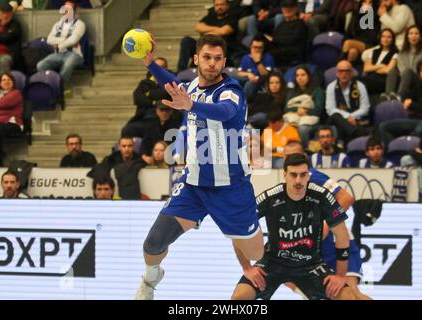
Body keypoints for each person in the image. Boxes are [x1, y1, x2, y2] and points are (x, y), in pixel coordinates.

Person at [135, 34, 265, 300]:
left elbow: (224, 112)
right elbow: (172, 85)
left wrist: (191, 105)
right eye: (206, 57)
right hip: (194, 185)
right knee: (152, 244)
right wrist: (150, 63)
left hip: (231, 187)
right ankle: (151, 279)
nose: (212, 63)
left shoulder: (232, 92)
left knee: (256, 253)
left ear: (224, 62)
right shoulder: (192, 86)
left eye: (218, 59)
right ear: (195, 59)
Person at [231, 153, 356, 300]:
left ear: (309, 176)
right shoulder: (270, 197)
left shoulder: (322, 196)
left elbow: (342, 237)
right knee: (240, 297)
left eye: (303, 175)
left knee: (348, 297)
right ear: (284, 175)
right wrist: (247, 268)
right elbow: (238, 227)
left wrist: (340, 276)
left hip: (311, 265)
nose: (298, 180)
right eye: (293, 175)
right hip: (273, 263)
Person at [283, 141, 371, 300]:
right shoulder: (288, 184)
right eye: (288, 156)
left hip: (335, 242)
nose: (292, 159)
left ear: (304, 157)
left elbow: (346, 198)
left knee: (351, 293)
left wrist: (325, 225)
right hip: (314, 250)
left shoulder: (314, 177)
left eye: (296, 155)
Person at [379, 58, 422, 146]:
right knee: (383, 127)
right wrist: (408, 102)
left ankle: (419, 153)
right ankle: (392, 152)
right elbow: (406, 96)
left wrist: (411, 104)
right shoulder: (418, 84)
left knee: (419, 129)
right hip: (412, 119)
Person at [176, 0, 240, 72]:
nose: (219, 7)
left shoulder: (233, 16)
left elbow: (224, 31)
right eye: (217, 5)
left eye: (222, 5)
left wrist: (207, 32)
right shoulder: (210, 16)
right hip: (204, 46)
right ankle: (181, 71)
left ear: (227, 5)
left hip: (224, 49)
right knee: (186, 40)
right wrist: (218, 29)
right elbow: (198, 27)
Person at [36, 0, 86, 82]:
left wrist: (58, 45)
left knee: (67, 65)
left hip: (74, 54)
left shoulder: (80, 24)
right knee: (40, 65)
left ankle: (59, 86)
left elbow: (73, 40)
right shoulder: (58, 24)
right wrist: (65, 40)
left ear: (75, 11)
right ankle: (52, 83)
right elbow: (49, 40)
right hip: (58, 54)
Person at [123, 57, 172, 137]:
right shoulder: (145, 83)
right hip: (144, 117)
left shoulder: (171, 81)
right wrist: (154, 102)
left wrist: (149, 94)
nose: (158, 69)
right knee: (127, 130)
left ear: (166, 69)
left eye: (161, 67)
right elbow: (137, 98)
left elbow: (165, 94)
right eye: (155, 66)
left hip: (164, 118)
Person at [326, 60, 371, 145]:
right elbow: (330, 109)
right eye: (341, 71)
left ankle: (342, 145)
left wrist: (352, 117)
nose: (344, 74)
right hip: (337, 119)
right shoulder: (331, 87)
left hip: (354, 119)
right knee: (335, 116)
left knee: (341, 125)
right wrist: (348, 117)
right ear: (337, 73)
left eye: (347, 71)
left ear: (352, 73)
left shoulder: (360, 86)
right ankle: (357, 132)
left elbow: (365, 108)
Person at [385, 25, 422, 101]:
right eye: (411, 33)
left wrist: (408, 73)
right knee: (392, 71)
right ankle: (388, 96)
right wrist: (405, 74)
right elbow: (401, 68)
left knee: (408, 71)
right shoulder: (402, 52)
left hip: (418, 78)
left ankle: (400, 97)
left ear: (420, 36)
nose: (413, 36)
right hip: (404, 77)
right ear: (407, 36)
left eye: (416, 33)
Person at [283, 65, 325, 147]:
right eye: (297, 75)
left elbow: (318, 110)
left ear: (309, 76)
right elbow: (286, 108)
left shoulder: (317, 90)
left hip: (311, 119)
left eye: (303, 75)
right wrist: (297, 110)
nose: (300, 78)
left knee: (302, 128)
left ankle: (303, 149)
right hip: (295, 118)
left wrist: (305, 111)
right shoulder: (292, 91)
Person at [264, 0, 308, 68]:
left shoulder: (300, 24)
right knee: (260, 41)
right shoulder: (281, 25)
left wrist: (273, 39)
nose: (287, 10)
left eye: (290, 7)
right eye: (285, 7)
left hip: (292, 53)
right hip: (280, 51)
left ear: (295, 9)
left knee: (270, 54)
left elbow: (293, 40)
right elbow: (275, 39)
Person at [137, 101, 181, 165]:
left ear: (171, 111)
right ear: (157, 111)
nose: (164, 113)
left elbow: (178, 146)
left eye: (167, 110)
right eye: (161, 110)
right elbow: (144, 144)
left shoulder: (177, 126)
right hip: (152, 158)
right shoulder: (150, 126)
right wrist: (144, 156)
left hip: (171, 160)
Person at [342, 0, 380, 71]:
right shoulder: (356, 16)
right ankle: (348, 71)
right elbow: (348, 34)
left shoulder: (376, 18)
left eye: (370, 2)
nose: (367, 5)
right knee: (352, 51)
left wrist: (368, 16)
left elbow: (373, 38)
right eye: (364, 2)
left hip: (370, 45)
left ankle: (340, 64)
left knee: (348, 43)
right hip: (355, 44)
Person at [361, 28, 398, 96]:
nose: (385, 39)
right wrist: (380, 66)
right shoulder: (374, 51)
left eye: (389, 37)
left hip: (383, 80)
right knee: (355, 80)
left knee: (359, 82)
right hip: (370, 77)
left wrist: (373, 68)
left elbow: (388, 70)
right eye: (383, 36)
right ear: (380, 38)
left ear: (393, 39)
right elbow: (366, 68)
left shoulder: (395, 53)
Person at [237, 35, 274, 99]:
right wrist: (248, 74)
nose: (257, 50)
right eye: (255, 47)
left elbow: (265, 74)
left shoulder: (268, 58)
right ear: (251, 47)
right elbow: (239, 73)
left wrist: (258, 62)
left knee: (250, 83)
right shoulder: (246, 58)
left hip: (261, 82)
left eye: (259, 48)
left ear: (263, 48)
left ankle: (244, 103)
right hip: (247, 79)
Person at [0, 72, 23, 167]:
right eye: (3, 80)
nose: (6, 82)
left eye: (9, 79)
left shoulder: (16, 93)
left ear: (13, 82)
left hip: (13, 123)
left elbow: (3, 104)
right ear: (0, 83)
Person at [0, 2, 22, 73]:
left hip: (9, 54)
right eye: (3, 13)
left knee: (4, 60)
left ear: (11, 14)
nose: (5, 16)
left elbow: (6, 38)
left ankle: (3, 82)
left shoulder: (15, 25)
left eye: (8, 13)